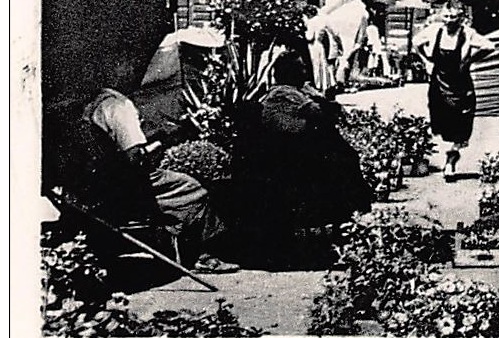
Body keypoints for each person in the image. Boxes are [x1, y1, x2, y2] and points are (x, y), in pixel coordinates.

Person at [230, 49, 372, 266]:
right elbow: (323, 112)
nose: (305, 71)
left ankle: (345, 225)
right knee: (340, 171)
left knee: (344, 164)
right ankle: (342, 229)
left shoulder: (298, 91)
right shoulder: (283, 93)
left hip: (300, 154)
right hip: (290, 160)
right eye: (301, 68)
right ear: (289, 72)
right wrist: (323, 102)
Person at [80, 87, 237, 273]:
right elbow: (135, 158)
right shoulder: (117, 106)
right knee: (193, 189)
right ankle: (201, 256)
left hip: (98, 182)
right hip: (126, 182)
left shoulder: (90, 106)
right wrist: (159, 144)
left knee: (173, 187)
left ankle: (172, 241)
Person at [413, 0, 494, 179]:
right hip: (439, 82)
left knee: (462, 120)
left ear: (461, 18)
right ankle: (446, 155)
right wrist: (426, 60)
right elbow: (416, 42)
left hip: (461, 83)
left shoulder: (467, 33)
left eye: (453, 17)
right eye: (446, 16)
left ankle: (451, 157)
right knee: (440, 120)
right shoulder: (435, 30)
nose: (448, 20)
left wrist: (469, 60)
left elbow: (489, 46)